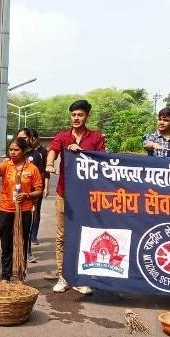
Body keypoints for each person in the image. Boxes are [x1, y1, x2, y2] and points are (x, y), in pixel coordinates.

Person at [45, 99, 106, 294]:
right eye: (73, 115)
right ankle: (63, 276)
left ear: (87, 116)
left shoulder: (96, 137)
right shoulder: (63, 137)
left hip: (86, 196)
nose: (76, 118)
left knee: (84, 236)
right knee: (62, 236)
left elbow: (103, 161)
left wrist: (83, 152)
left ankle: (81, 278)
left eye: (80, 115)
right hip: (64, 193)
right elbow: (53, 151)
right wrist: (49, 164)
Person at [0, 137, 44, 282]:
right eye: (11, 149)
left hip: (25, 211)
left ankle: (21, 275)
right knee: (6, 244)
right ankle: (5, 276)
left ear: (24, 151)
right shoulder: (7, 164)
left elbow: (39, 190)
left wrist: (27, 195)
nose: (13, 152)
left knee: (22, 243)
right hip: (5, 210)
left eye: (16, 150)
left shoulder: (32, 169)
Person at [17, 127, 46, 263]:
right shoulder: (14, 153)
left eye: (24, 138)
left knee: (27, 224)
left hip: (30, 196)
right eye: (19, 138)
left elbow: (40, 177)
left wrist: (35, 195)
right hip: (15, 197)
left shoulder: (36, 155)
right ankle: (14, 253)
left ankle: (27, 251)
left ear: (30, 138)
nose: (22, 140)